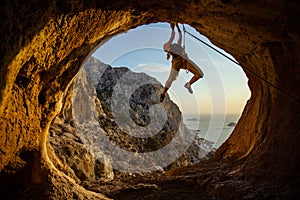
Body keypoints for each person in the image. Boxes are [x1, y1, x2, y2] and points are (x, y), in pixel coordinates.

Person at [160, 23, 204, 103]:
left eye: (165, 48)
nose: (166, 49)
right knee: (170, 79)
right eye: (165, 49)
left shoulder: (175, 45)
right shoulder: (171, 48)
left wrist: (175, 27)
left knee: (200, 74)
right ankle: (163, 93)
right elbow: (176, 36)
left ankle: (188, 84)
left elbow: (176, 36)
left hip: (184, 60)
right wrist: (175, 27)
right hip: (176, 62)